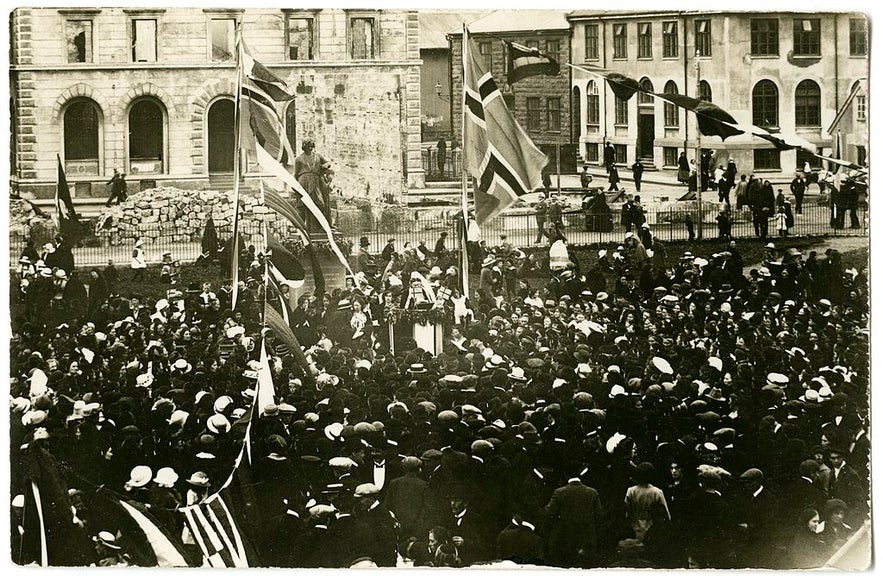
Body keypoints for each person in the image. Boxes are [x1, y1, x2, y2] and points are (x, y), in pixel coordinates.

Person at [294, 139, 333, 231]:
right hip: (303, 181)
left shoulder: (318, 156)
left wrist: (325, 166)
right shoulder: (299, 159)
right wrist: (295, 185)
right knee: (303, 204)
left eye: (311, 146)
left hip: (315, 181)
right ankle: (301, 227)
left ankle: (321, 225)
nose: (310, 148)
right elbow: (296, 173)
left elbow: (328, 163)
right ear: (304, 147)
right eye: (308, 146)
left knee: (320, 204)